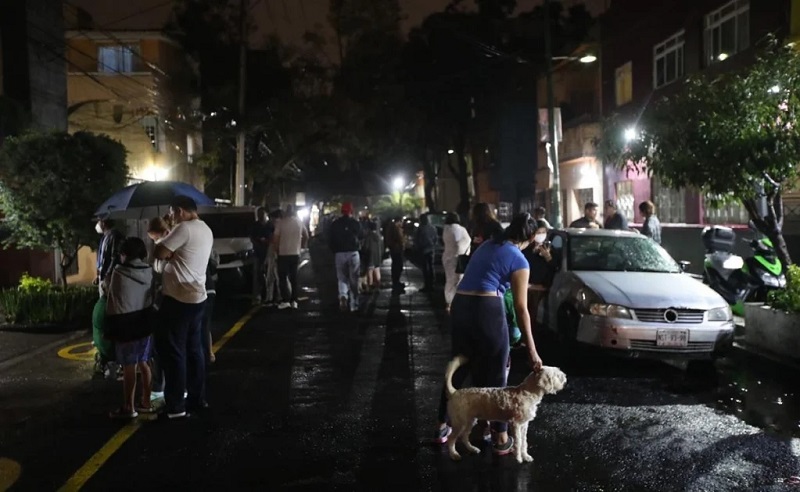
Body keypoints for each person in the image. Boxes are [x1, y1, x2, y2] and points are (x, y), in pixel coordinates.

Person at [434, 213, 544, 455]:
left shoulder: (487, 245)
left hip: (461, 304)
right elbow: (521, 308)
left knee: (460, 365)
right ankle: (500, 435)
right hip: (486, 308)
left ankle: (442, 425)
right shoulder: (519, 260)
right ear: (533, 237)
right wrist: (532, 350)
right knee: (496, 370)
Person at [153, 195, 214, 420]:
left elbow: (159, 253)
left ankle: (176, 406)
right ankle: (197, 399)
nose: (170, 217)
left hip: (178, 300)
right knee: (194, 351)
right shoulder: (205, 229)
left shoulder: (185, 228)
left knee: (174, 353)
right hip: (198, 298)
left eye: (171, 212)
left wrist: (166, 247)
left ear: (179, 211)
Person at [105, 237, 155, 419]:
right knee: (144, 362)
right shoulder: (149, 271)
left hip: (126, 324)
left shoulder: (119, 272)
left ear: (124, 254)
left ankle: (129, 407)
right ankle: (146, 402)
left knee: (128, 367)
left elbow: (111, 295)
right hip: (145, 321)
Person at [273, 205, 309, 310]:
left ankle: (286, 300)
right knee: (294, 278)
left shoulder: (281, 223)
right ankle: (294, 300)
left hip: (283, 253)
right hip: (295, 253)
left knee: (283, 278)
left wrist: (276, 250)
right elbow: (306, 235)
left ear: (286, 212)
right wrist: (302, 245)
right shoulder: (299, 222)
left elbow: (276, 238)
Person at [523, 221, 556, 331]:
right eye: (538, 232)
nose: (541, 235)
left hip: (542, 288)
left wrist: (548, 257)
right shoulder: (526, 248)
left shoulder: (549, 248)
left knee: (537, 317)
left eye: (543, 232)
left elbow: (554, 267)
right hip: (527, 287)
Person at [329, 202, 362, 312]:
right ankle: (354, 304)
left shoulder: (335, 224)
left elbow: (330, 239)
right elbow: (361, 236)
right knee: (354, 279)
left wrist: (334, 250)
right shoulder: (355, 223)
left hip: (339, 253)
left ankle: (343, 296)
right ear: (351, 211)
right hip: (353, 252)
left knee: (341, 277)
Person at [442, 213, 471, 312]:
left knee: (449, 280)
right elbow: (461, 243)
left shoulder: (446, 229)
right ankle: (453, 301)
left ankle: (449, 302)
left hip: (447, 257)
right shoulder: (459, 229)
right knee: (457, 280)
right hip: (457, 258)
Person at [94, 218, 125, 295]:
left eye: (99, 221)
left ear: (103, 223)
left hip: (109, 278)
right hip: (104, 277)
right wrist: (99, 275)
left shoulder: (114, 236)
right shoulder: (105, 237)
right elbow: (102, 259)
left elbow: (114, 258)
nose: (97, 224)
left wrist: (108, 274)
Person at [251, 207, 273, 304]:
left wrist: (266, 241)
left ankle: (269, 296)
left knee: (269, 276)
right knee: (257, 276)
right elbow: (252, 238)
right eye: (259, 214)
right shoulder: (255, 225)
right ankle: (257, 296)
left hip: (268, 254)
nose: (260, 216)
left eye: (262, 214)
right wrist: (258, 241)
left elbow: (273, 239)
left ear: (266, 214)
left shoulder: (270, 225)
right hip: (258, 253)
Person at [202, 248, 220, 365]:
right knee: (205, 323)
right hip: (210, 289)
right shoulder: (205, 249)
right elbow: (214, 271)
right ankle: (209, 353)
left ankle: (207, 353)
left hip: (200, 291)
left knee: (200, 324)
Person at [415, 214, 438, 293]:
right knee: (431, 267)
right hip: (431, 249)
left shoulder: (421, 228)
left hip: (423, 250)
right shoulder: (432, 228)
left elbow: (417, 239)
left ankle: (427, 285)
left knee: (425, 268)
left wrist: (417, 247)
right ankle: (432, 284)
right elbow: (436, 238)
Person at [384, 217, 406, 291]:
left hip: (394, 249)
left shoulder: (391, 227)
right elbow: (400, 239)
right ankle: (396, 282)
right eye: (401, 222)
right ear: (398, 221)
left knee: (396, 266)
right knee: (398, 266)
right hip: (397, 250)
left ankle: (396, 282)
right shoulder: (396, 228)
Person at [363, 221, 384, 292]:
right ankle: (378, 286)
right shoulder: (379, 236)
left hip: (370, 256)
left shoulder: (368, 236)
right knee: (377, 270)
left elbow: (365, 247)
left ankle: (370, 286)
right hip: (377, 257)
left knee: (370, 271)